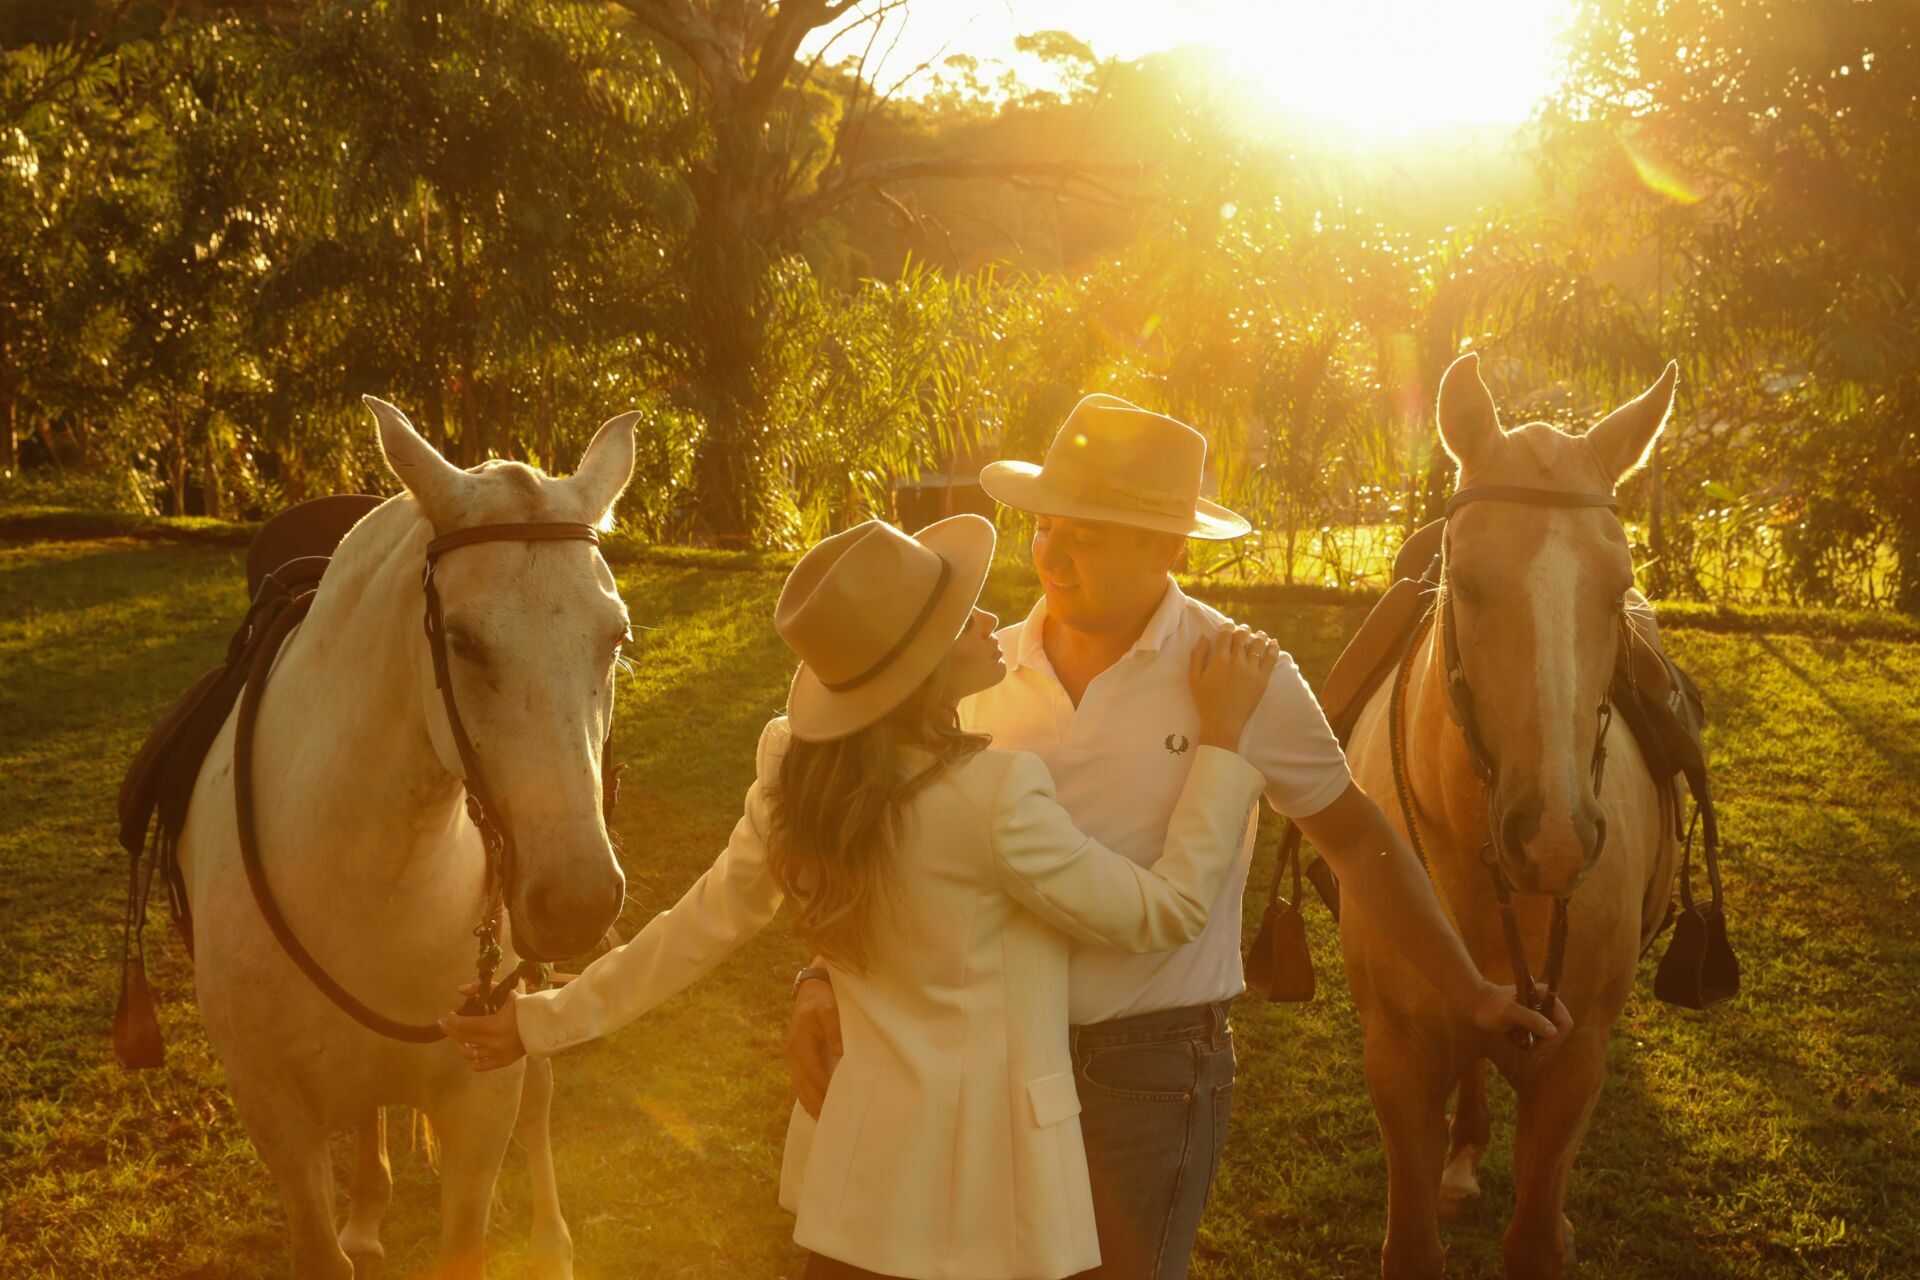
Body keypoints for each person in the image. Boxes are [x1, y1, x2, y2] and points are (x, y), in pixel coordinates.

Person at [787, 394, 1570, 1280]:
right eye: (1046, 525)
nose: (1052, 551)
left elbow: (1356, 838)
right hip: (985, 1056)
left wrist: (1470, 993)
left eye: (1088, 532)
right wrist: (823, 976)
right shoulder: (975, 672)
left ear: (1169, 549)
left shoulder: (1241, 675)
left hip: (1147, 1073)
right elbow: (891, 844)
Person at [441, 513, 1291, 1279]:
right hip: (986, 1196)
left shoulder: (795, 772)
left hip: (858, 1184)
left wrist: (540, 1022)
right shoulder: (996, 799)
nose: (993, 619)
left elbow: (694, 930)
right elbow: (1169, 913)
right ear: (921, 669)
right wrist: (1222, 743)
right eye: (966, 621)